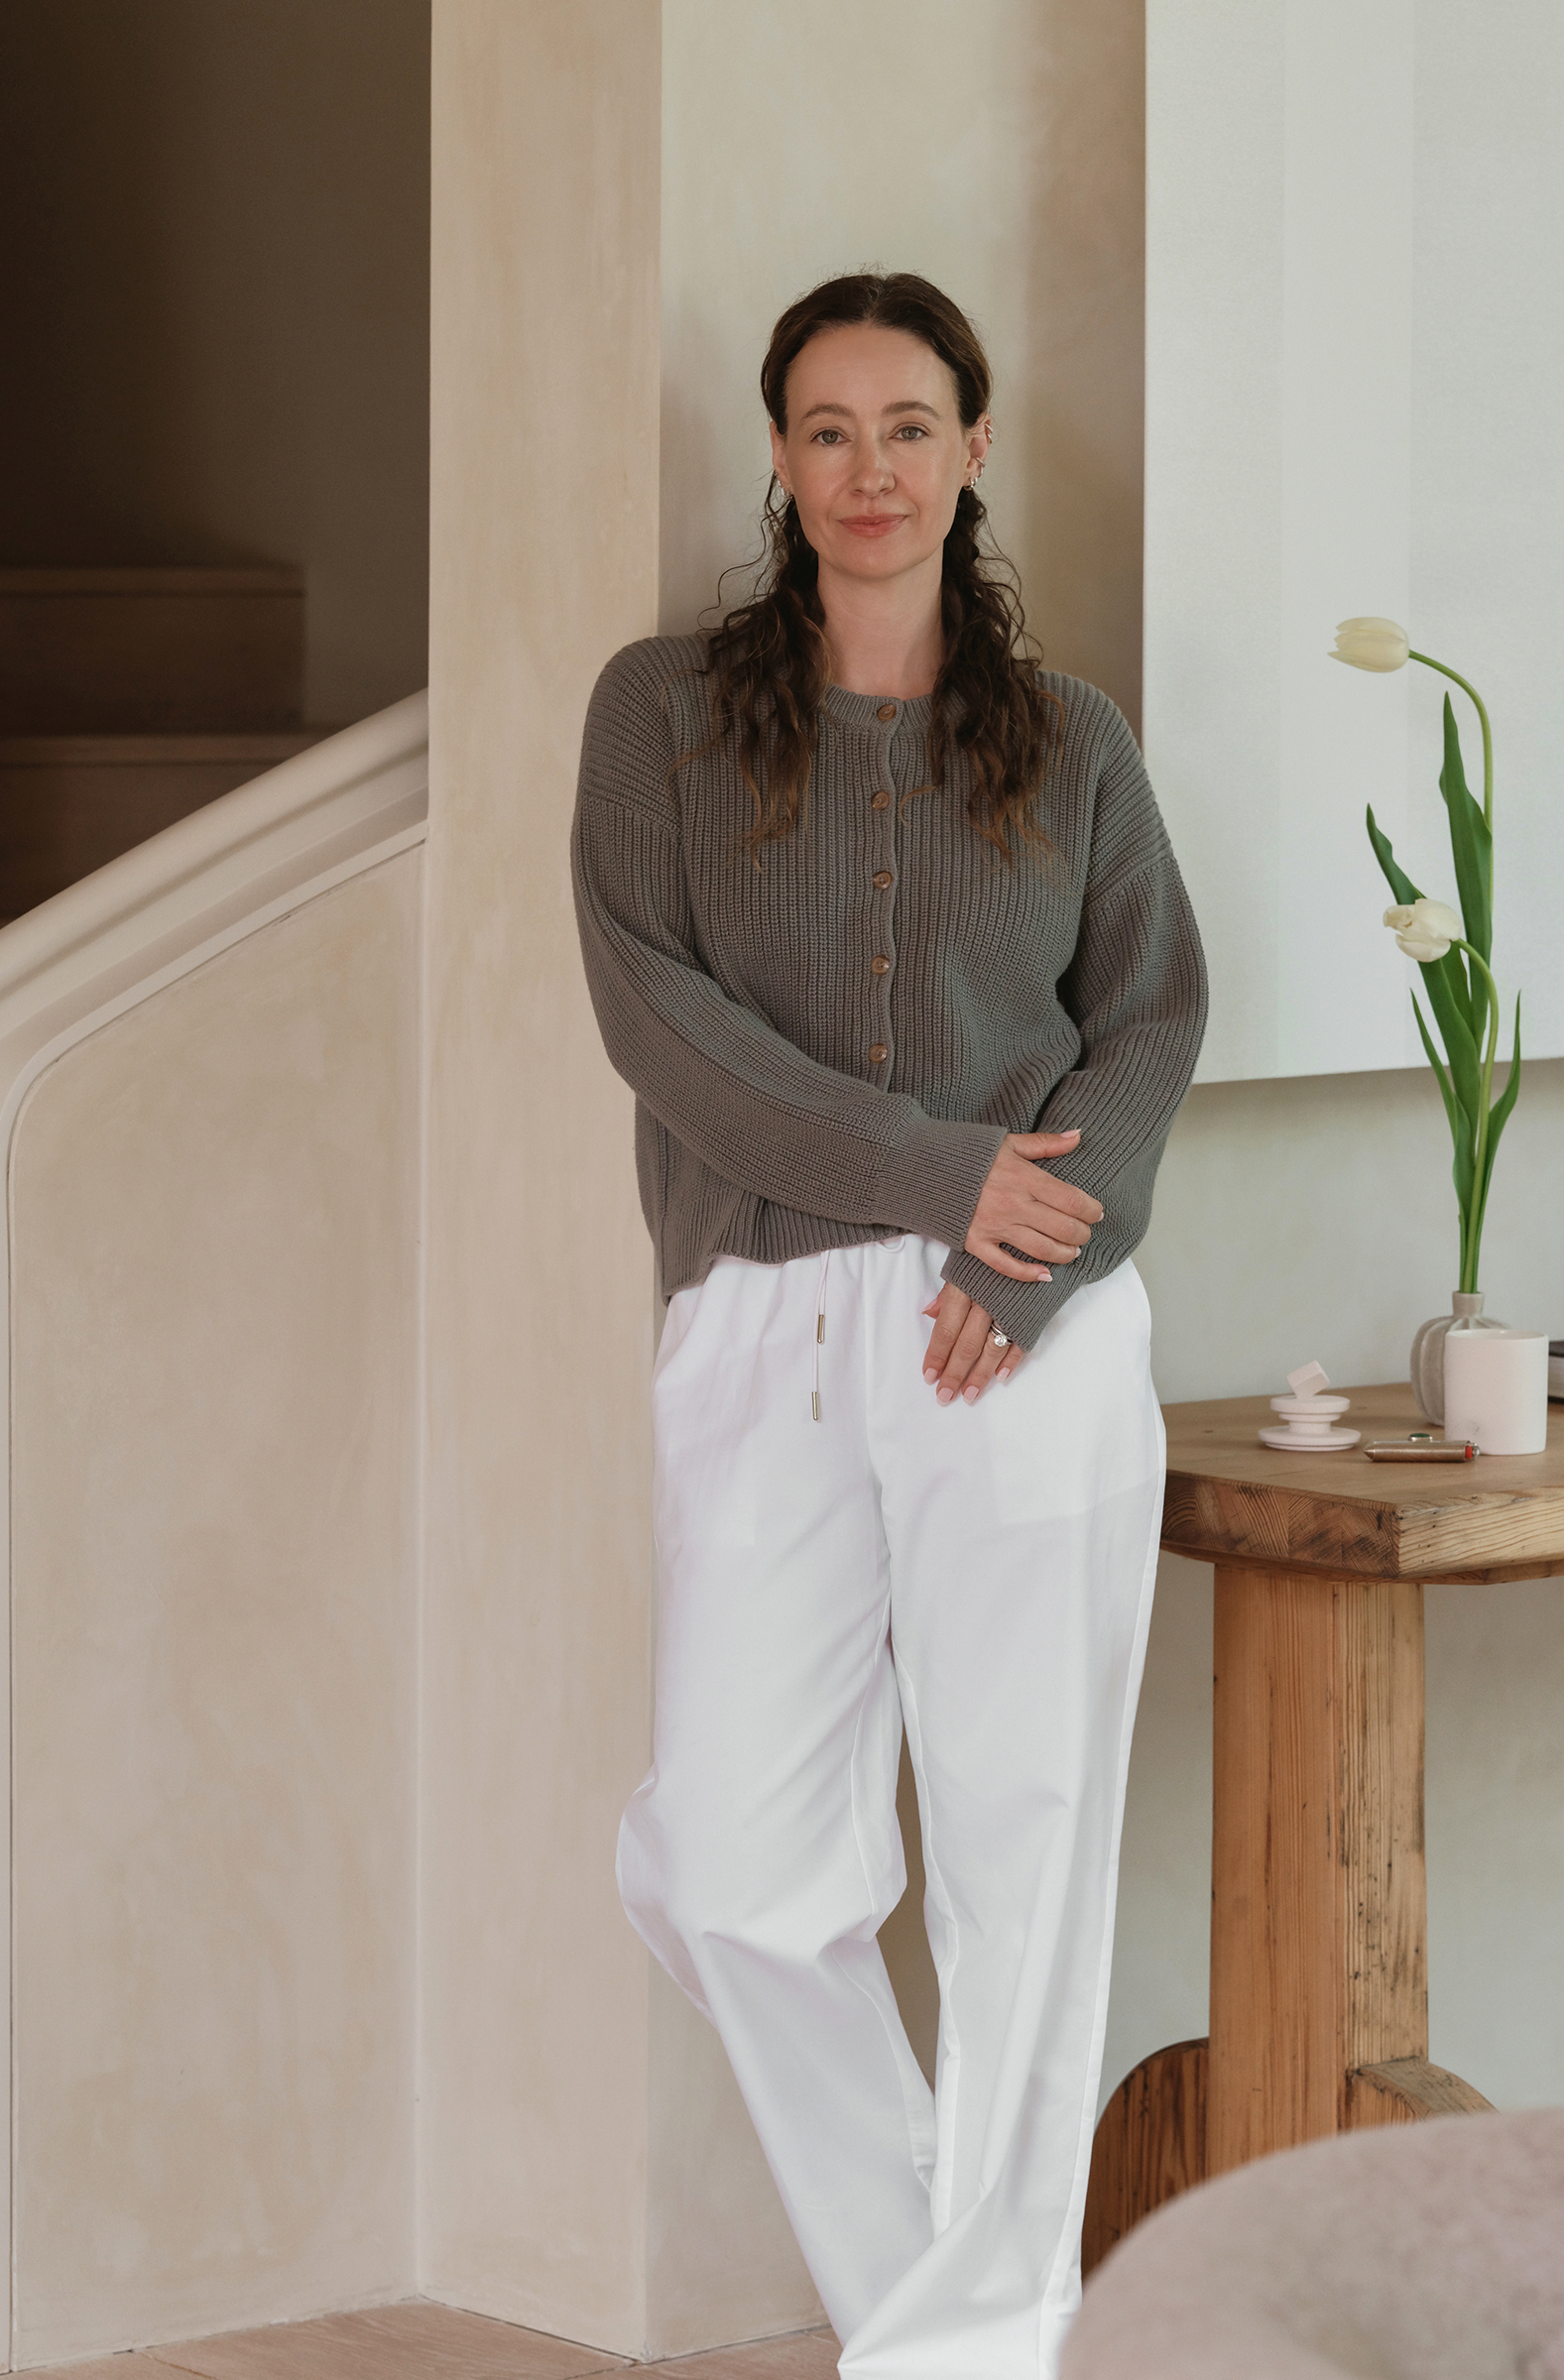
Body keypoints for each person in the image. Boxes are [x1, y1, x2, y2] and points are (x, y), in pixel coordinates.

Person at [571, 271, 1206, 2380]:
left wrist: (1016, 1253)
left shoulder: (1069, 737)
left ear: (971, 449)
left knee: (1028, 1843)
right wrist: (940, 1177)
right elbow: (661, 1027)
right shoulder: (655, 714)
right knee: (736, 1867)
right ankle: (958, 2315)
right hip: (773, 1310)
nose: (869, 468)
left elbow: (1150, 1019)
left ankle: (971, 2347)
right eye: (828, 428)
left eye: (908, 424)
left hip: (1025, 1317)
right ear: (776, 455)